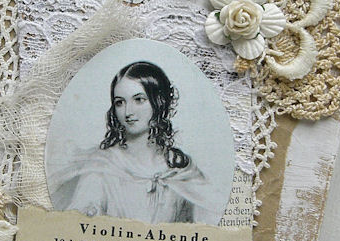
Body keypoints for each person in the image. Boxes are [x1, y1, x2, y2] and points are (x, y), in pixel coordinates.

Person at [51, 61, 223, 225]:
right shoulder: (101, 167)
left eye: (139, 100)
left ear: (159, 102)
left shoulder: (181, 168)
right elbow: (78, 228)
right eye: (120, 103)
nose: (128, 112)